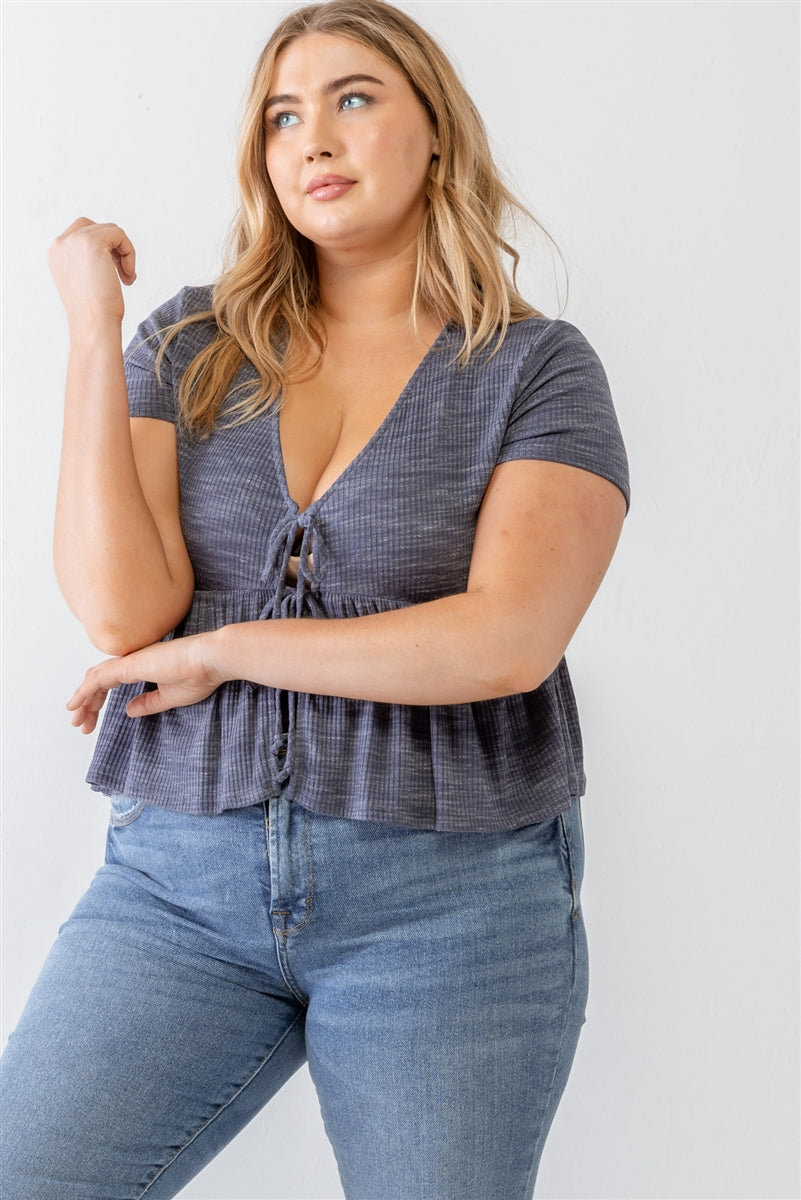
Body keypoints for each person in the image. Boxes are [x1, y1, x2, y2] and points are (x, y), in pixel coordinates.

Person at [0, 1, 629, 1196]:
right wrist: (91, 331)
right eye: (283, 117)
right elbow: (123, 617)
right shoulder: (188, 345)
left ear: (435, 130)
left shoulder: (537, 371)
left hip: (448, 905)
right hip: (177, 887)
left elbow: (507, 638)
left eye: (352, 99)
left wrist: (228, 650)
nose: (314, 139)